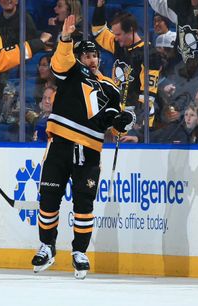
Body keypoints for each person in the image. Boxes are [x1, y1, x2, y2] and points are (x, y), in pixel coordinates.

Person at [31, 15, 135, 279]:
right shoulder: (69, 72)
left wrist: (122, 122)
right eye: (87, 55)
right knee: (49, 199)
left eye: (95, 55)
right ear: (78, 58)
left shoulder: (110, 87)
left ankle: (79, 251)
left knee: (84, 203)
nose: (92, 59)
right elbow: (59, 62)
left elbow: (110, 121)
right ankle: (47, 245)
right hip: (60, 145)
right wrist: (65, 39)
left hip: (88, 151)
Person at [93, 0, 162, 130]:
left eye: (118, 34)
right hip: (118, 112)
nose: (116, 38)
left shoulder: (148, 54)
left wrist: (138, 124)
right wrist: (100, 7)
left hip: (135, 118)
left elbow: (148, 94)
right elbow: (98, 32)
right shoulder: (118, 45)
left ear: (131, 30)